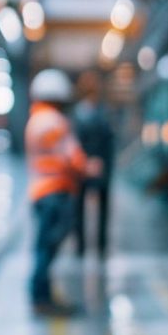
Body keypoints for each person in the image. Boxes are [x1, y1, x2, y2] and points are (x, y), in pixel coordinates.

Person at [25, 69, 100, 316]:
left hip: (38, 191)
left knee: (43, 246)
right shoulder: (56, 122)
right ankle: (41, 297)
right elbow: (72, 157)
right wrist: (90, 166)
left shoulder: (34, 121)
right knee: (47, 248)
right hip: (56, 192)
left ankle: (41, 295)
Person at [72, 70, 115, 257]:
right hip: (95, 165)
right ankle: (99, 247)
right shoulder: (102, 113)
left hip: (85, 166)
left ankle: (82, 247)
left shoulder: (79, 114)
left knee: (80, 208)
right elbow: (109, 140)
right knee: (98, 208)